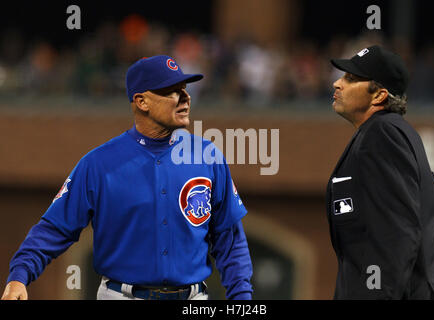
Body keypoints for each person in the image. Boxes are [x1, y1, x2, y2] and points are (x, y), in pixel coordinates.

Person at [1, 55, 253, 300]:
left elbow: (230, 241)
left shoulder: (207, 156)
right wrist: (19, 276)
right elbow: (54, 228)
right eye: (171, 91)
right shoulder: (98, 164)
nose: (185, 98)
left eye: (184, 89)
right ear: (142, 102)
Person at [326, 45, 434, 299]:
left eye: (351, 79)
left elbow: (397, 230)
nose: (338, 83)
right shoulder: (390, 132)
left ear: (379, 95)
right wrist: (424, 260)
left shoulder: (382, 135)